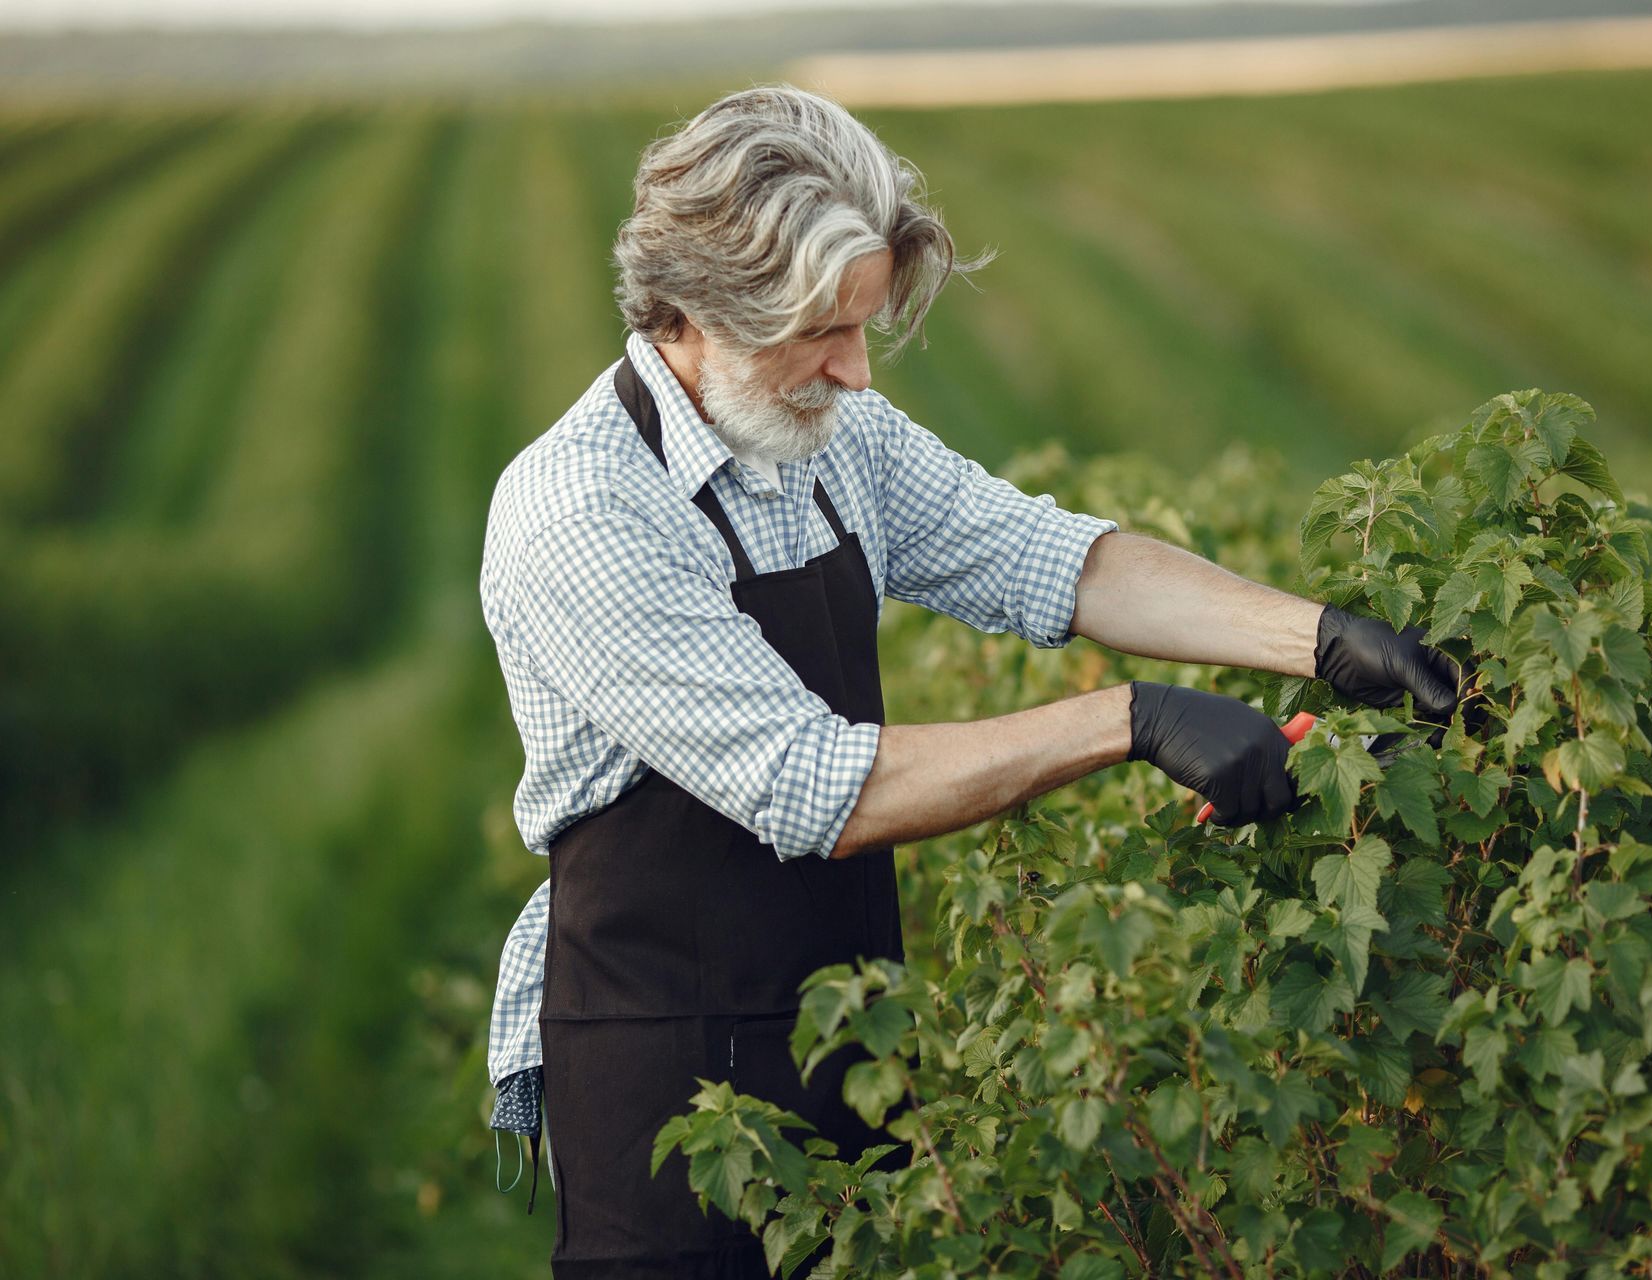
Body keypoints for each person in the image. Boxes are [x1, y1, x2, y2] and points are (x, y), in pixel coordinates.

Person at [479, 84, 1459, 1279]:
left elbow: (1052, 558)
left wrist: (1322, 637)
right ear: (697, 308)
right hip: (670, 1094)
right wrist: (1131, 719)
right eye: (822, 334)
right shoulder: (582, 509)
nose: (857, 375)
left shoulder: (832, 440)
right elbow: (812, 784)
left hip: (856, 1035)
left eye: (866, 328)